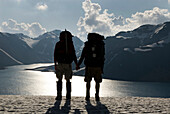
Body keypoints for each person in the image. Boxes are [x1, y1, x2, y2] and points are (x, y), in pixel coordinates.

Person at [77, 33, 105, 101]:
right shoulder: (100, 45)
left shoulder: (87, 45)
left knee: (88, 81)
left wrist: (78, 64)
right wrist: (102, 68)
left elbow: (83, 56)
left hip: (89, 66)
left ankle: (87, 95)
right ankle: (97, 95)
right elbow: (102, 57)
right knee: (97, 82)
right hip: (98, 66)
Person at [54, 30, 78, 100]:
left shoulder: (58, 44)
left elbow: (55, 54)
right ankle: (68, 95)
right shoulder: (70, 44)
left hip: (60, 64)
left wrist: (55, 64)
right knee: (68, 80)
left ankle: (59, 95)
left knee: (59, 79)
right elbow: (73, 55)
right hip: (68, 64)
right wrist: (76, 64)